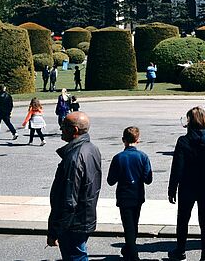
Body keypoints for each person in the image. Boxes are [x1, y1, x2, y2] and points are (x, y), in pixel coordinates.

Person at [47, 112, 102, 261]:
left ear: (75, 130)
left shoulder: (74, 158)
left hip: (73, 223)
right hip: (85, 216)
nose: (61, 128)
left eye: (64, 126)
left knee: (75, 256)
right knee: (78, 253)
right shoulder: (92, 148)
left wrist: (55, 230)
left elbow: (68, 200)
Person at [167, 107, 205, 261]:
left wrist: (172, 188)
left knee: (183, 219)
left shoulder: (183, 140)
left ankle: (181, 250)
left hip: (187, 184)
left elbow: (177, 166)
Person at [107, 126, 153, 261]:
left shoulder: (118, 158)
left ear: (123, 140)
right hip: (137, 194)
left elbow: (111, 180)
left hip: (124, 195)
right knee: (134, 223)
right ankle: (129, 249)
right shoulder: (143, 157)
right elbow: (148, 179)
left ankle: (132, 253)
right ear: (138, 140)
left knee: (128, 226)